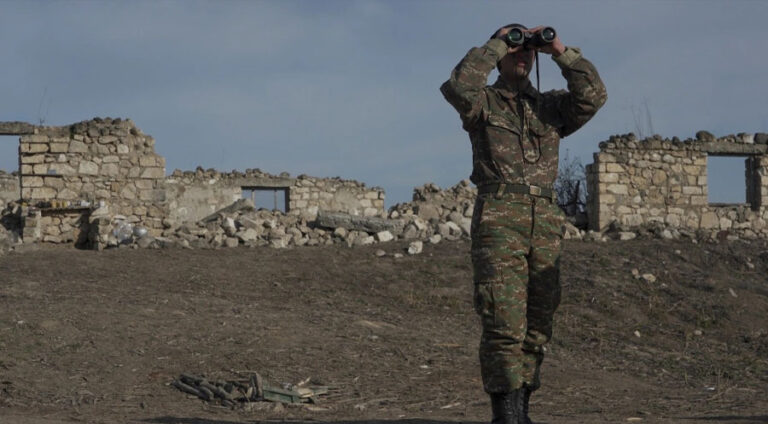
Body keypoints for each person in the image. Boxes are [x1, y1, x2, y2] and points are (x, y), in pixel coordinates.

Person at [440, 24, 607, 424]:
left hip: (545, 224)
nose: (521, 55)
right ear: (500, 56)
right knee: (503, 320)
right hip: (500, 220)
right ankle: (506, 413)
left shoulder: (550, 107)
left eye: (526, 51)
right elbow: (458, 85)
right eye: (515, 50)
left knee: (539, 323)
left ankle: (523, 409)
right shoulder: (484, 103)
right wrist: (499, 40)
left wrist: (558, 50)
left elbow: (593, 96)